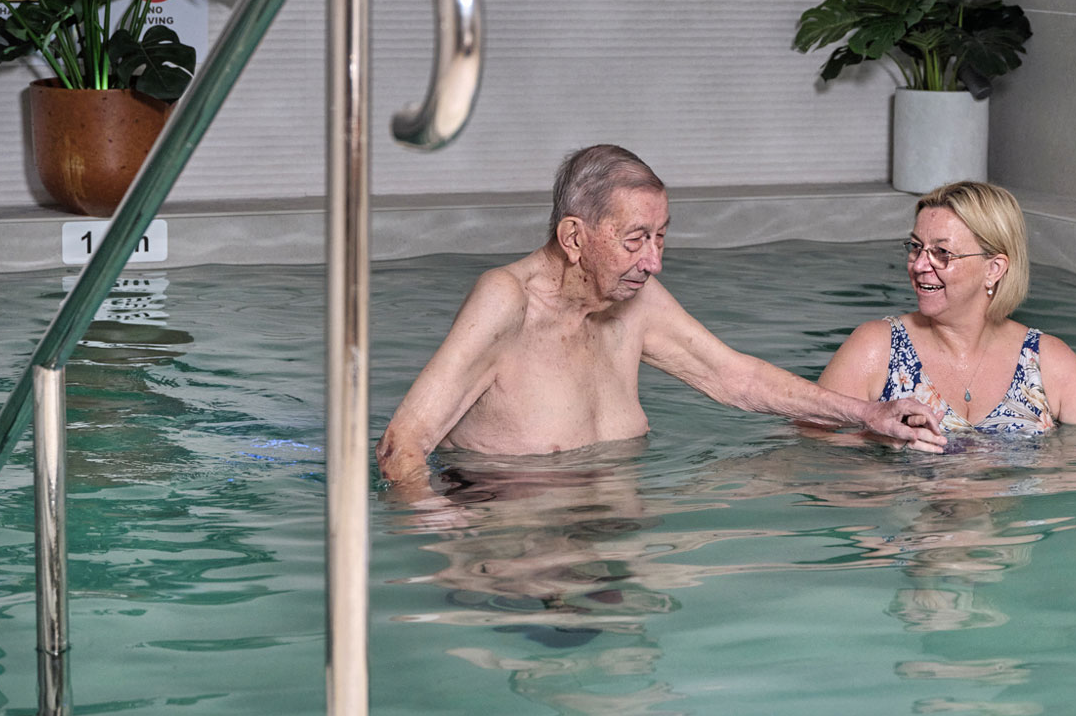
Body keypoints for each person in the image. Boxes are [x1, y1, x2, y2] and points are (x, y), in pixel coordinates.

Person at [376, 144, 945, 481]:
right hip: (511, 539)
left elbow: (735, 377)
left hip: (615, 531)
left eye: (661, 237)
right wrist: (455, 547)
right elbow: (403, 446)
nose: (654, 262)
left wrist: (868, 413)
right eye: (635, 240)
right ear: (574, 237)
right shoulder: (507, 300)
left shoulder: (635, 300)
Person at [817, 180, 1076, 463]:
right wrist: (875, 442)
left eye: (942, 253)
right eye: (916, 248)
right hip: (908, 519)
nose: (919, 265)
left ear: (994, 269)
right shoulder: (877, 348)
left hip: (1008, 526)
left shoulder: (1044, 359)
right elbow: (811, 443)